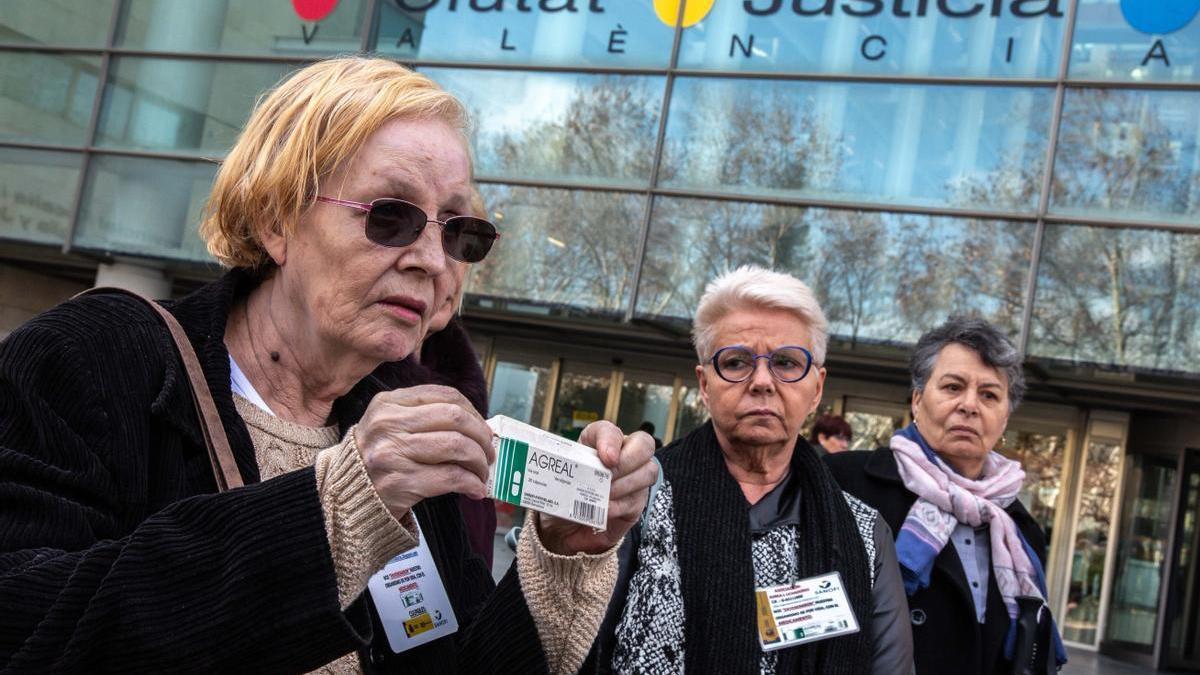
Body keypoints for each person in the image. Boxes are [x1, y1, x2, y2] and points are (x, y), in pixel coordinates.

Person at [0, 57, 658, 673]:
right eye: (391, 216)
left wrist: (565, 554)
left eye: (461, 230)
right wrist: (336, 509)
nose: (433, 259)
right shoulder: (97, 354)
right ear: (276, 218)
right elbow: (27, 628)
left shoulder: (401, 430)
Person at [586, 266, 913, 674]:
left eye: (787, 362)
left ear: (817, 388)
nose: (762, 381)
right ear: (705, 385)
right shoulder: (638, 495)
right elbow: (569, 645)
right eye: (737, 361)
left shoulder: (865, 535)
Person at [826, 317, 1067, 675]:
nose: (970, 405)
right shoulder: (844, 484)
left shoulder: (1018, 526)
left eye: (989, 395)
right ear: (918, 400)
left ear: (1004, 420)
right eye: (953, 387)